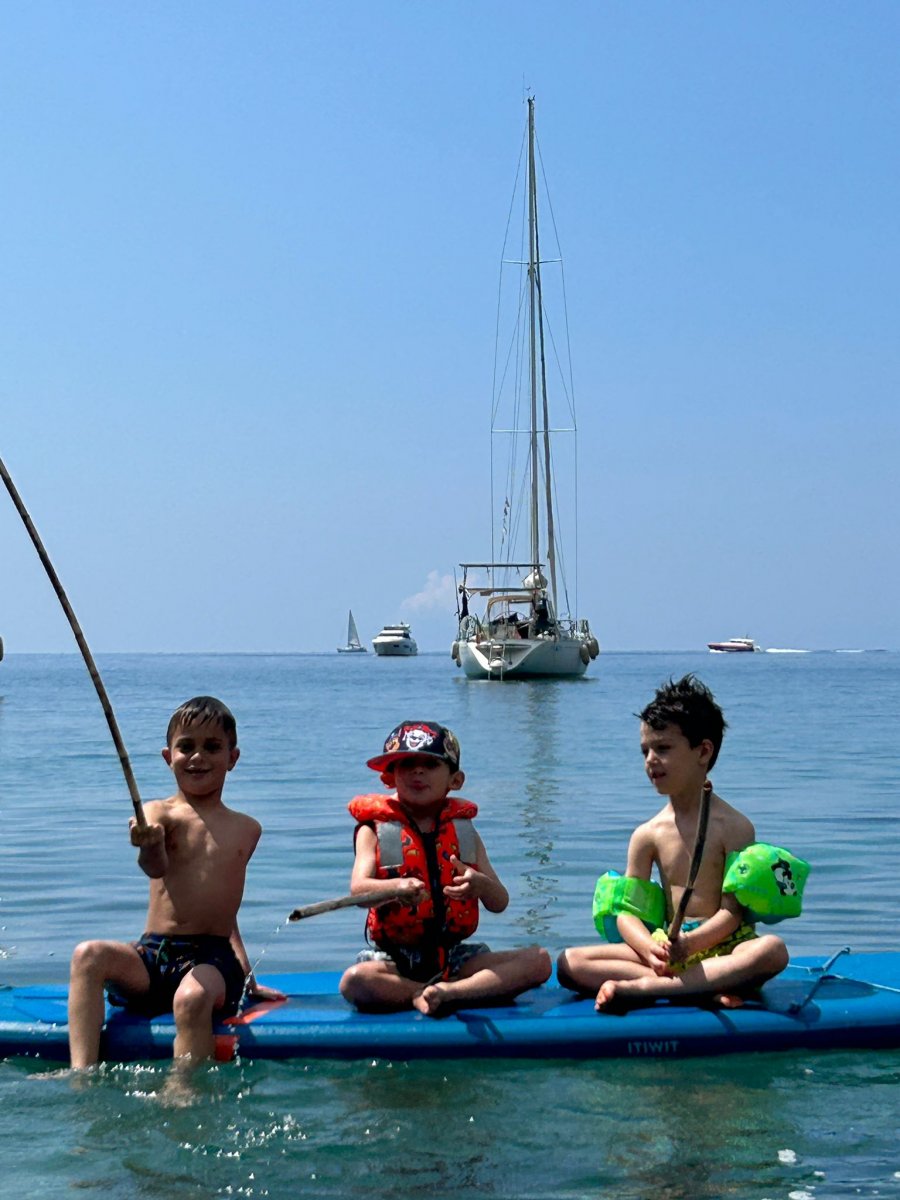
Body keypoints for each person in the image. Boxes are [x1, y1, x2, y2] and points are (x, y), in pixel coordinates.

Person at [68, 696, 285, 1069]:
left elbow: (225, 913)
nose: (197, 756)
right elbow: (155, 867)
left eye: (212, 747)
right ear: (168, 756)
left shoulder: (247, 829)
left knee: (191, 999)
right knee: (88, 955)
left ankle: (183, 1090)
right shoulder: (156, 813)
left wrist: (248, 979)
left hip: (212, 960)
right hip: (152, 956)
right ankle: (80, 1073)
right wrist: (148, 843)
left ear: (232, 758)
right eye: (186, 746)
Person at [557, 676, 789, 1012]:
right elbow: (626, 914)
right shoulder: (647, 834)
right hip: (667, 948)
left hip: (722, 946)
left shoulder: (735, 827)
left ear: (703, 751)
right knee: (570, 963)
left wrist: (692, 943)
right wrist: (650, 947)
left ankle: (646, 990)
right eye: (645, 750)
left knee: (772, 951)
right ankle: (695, 989)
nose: (651, 759)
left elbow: (732, 912)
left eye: (663, 748)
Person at [339, 720, 551, 1016]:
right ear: (390, 777)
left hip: (455, 957)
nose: (417, 771)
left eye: (430, 764)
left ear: (456, 780)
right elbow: (359, 892)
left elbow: (499, 902)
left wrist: (480, 885)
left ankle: (449, 993)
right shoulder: (374, 831)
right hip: (394, 960)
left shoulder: (464, 831)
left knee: (539, 960)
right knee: (355, 981)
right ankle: (432, 992)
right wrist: (395, 888)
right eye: (406, 764)